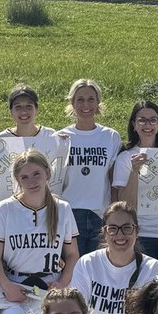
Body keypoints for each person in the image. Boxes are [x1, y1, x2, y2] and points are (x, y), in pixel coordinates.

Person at [0, 149, 79, 314]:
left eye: (36, 174)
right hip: (15, 284)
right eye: (25, 177)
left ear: (48, 172)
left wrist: (62, 283)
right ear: (18, 181)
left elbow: (72, 255)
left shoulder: (62, 208)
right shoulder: (4, 209)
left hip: (48, 286)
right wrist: (6, 285)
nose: (32, 181)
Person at [69, 202, 158, 314]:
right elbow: (76, 313)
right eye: (112, 229)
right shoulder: (87, 263)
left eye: (127, 228)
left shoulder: (152, 268)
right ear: (104, 232)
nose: (120, 235)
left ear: (137, 231)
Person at [111, 101, 158, 271]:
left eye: (153, 120)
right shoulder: (126, 158)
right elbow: (126, 205)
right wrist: (134, 172)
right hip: (143, 234)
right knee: (144, 289)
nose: (148, 125)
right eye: (142, 120)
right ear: (134, 125)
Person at [58, 78, 121, 256]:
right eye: (80, 99)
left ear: (98, 102)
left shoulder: (110, 136)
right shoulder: (61, 137)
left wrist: (112, 212)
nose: (86, 105)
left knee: (97, 268)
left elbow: (112, 178)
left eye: (91, 99)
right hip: (70, 213)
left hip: (99, 214)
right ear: (72, 102)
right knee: (73, 270)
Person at [0, 84, 63, 149]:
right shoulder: (1, 139)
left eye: (29, 106)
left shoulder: (49, 135)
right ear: (11, 112)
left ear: (36, 109)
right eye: (18, 107)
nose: (23, 112)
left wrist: (65, 142)